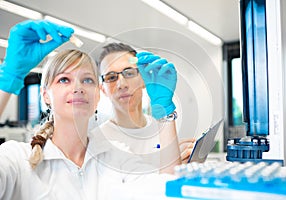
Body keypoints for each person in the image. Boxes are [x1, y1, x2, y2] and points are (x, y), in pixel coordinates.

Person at [0, 20, 181, 199]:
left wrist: (165, 113)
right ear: (46, 95)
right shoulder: (18, 159)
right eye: (64, 80)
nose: (78, 88)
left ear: (97, 96)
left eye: (87, 80)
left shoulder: (115, 156)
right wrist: (7, 80)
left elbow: (166, 192)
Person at [93, 43, 195, 170]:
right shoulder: (96, 140)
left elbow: (169, 175)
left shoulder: (161, 127)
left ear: (143, 79)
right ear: (103, 89)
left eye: (129, 73)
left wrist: (178, 160)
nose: (122, 84)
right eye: (111, 77)